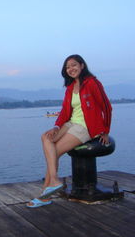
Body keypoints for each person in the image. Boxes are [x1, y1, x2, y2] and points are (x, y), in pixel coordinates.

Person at [27, 54, 112, 208]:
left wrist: (105, 130)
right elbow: (65, 112)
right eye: (68, 67)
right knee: (46, 138)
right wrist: (56, 127)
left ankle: (46, 194)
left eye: (73, 65)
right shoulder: (70, 87)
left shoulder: (92, 83)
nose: (71, 69)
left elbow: (107, 107)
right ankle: (54, 180)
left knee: (55, 152)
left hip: (85, 127)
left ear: (82, 66)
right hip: (70, 123)